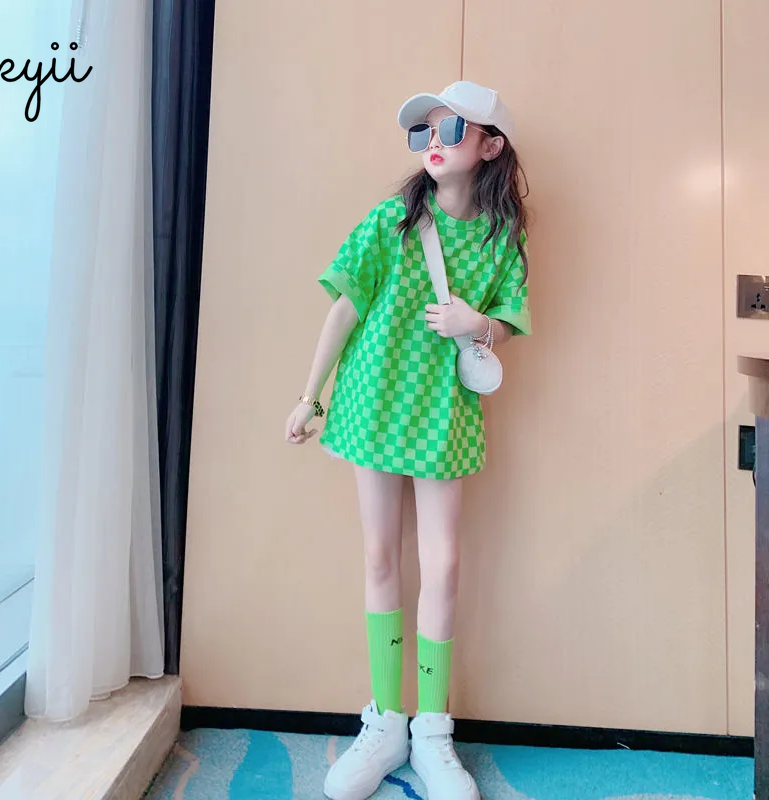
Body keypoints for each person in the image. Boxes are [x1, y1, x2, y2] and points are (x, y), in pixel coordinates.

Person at [285, 80, 532, 800]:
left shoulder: (501, 238)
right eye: (422, 132)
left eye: (450, 129)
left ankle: (431, 733)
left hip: (443, 415)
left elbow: (510, 317)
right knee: (378, 556)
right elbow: (343, 308)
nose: (432, 143)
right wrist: (310, 396)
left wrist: (476, 325)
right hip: (371, 405)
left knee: (444, 567)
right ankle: (386, 722)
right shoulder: (390, 220)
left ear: (491, 145)